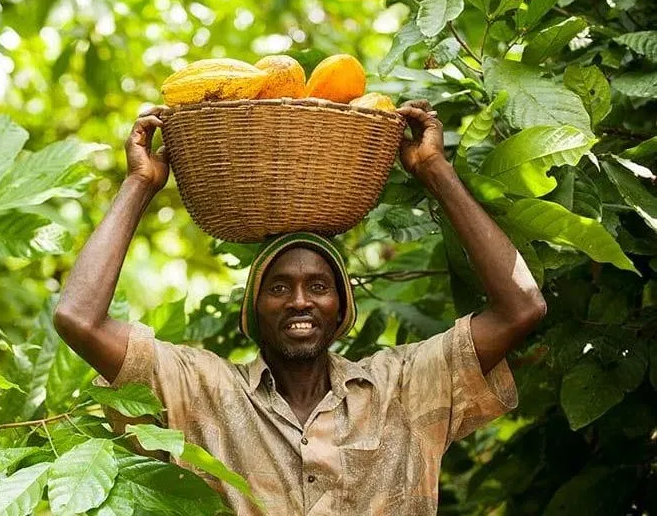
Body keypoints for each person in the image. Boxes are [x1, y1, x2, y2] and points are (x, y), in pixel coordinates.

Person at [53, 100, 546, 515]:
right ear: (253, 309)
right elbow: (79, 318)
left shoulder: (404, 386)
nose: (300, 301)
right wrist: (140, 183)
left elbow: (521, 306)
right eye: (279, 288)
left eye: (318, 286)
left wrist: (434, 170)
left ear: (340, 308)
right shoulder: (202, 391)